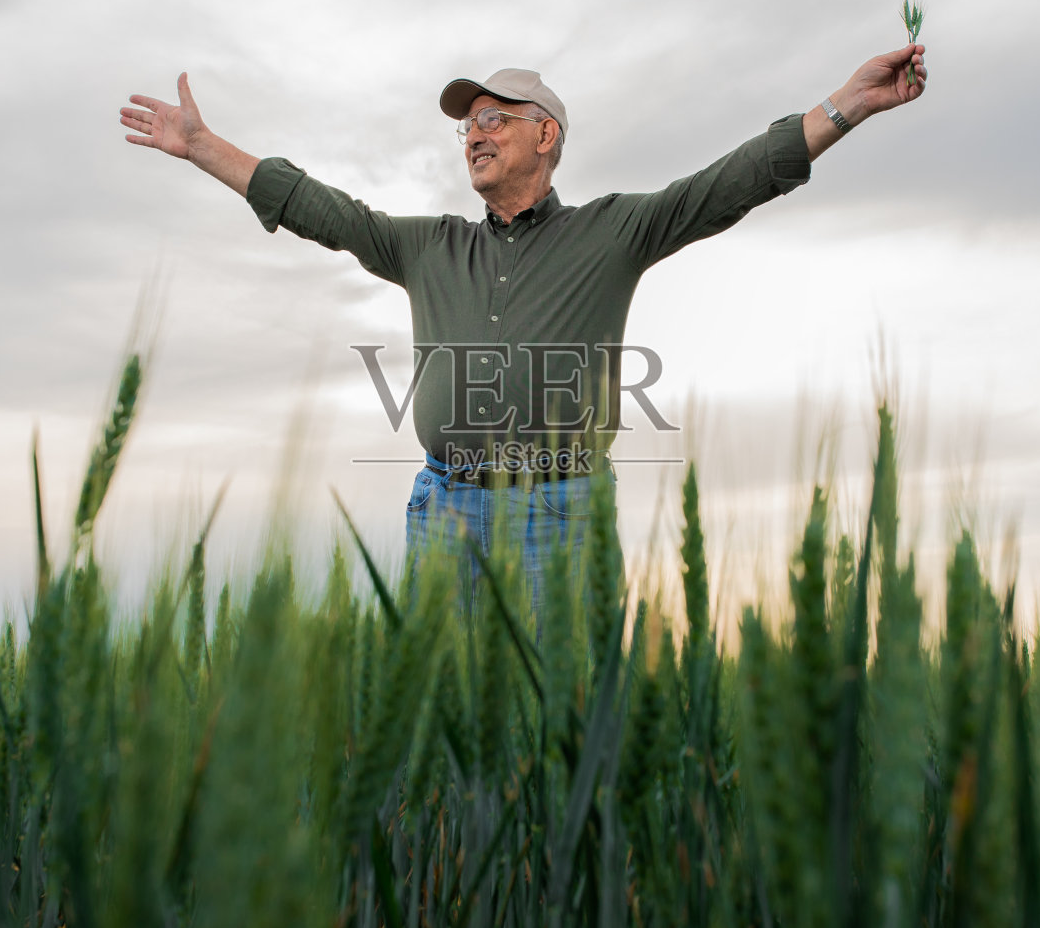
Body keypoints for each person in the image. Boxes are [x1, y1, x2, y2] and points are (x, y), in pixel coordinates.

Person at [119, 46, 927, 616]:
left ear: (546, 136)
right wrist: (203, 148)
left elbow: (729, 183)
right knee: (443, 732)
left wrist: (846, 105)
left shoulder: (614, 231)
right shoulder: (428, 246)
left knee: (554, 734)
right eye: (467, 126)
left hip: (560, 515)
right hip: (445, 508)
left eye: (493, 119)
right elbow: (320, 210)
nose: (474, 134)